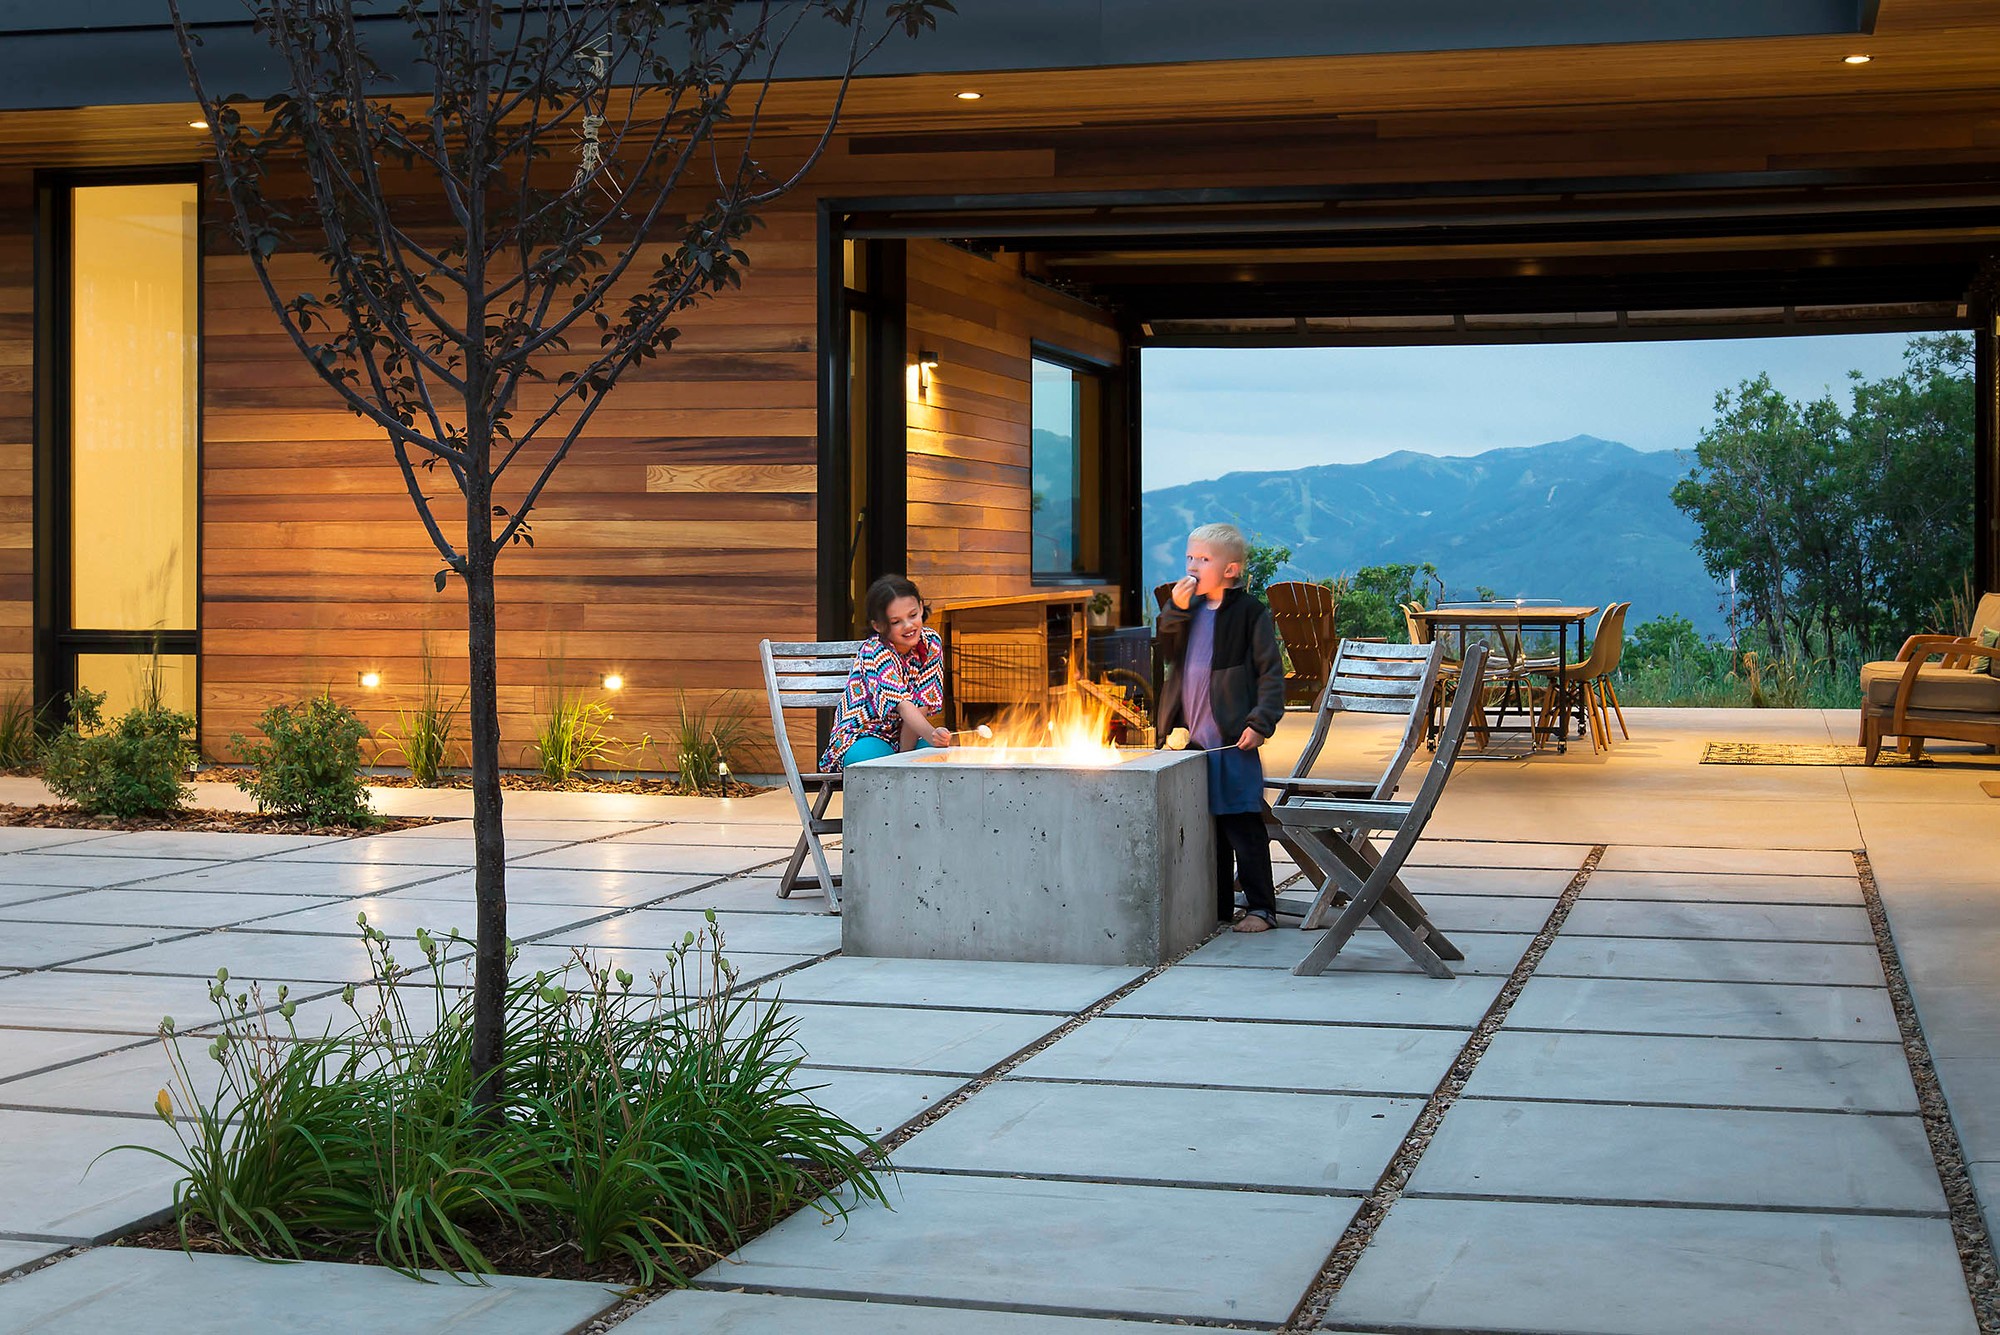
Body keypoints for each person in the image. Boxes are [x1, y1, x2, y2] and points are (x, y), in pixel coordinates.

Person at [1155, 523, 1286, 932]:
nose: (1193, 566)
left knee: (1242, 824)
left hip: (1232, 741)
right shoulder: (1188, 609)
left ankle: (1262, 908)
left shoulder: (1250, 614)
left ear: (1231, 570)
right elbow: (1166, 651)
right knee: (1203, 828)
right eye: (1190, 557)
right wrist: (1173, 610)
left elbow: (1270, 673)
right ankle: (1216, 907)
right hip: (1189, 742)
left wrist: (1260, 722)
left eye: (1204, 559)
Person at [822, 574, 953, 772]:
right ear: (879, 625)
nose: (908, 626)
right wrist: (931, 732)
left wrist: (907, 754)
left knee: (941, 756)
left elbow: (921, 705)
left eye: (913, 615)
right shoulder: (875, 650)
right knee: (876, 764)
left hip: (903, 738)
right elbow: (903, 706)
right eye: (896, 621)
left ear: (920, 606)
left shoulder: (931, 643)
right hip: (862, 735)